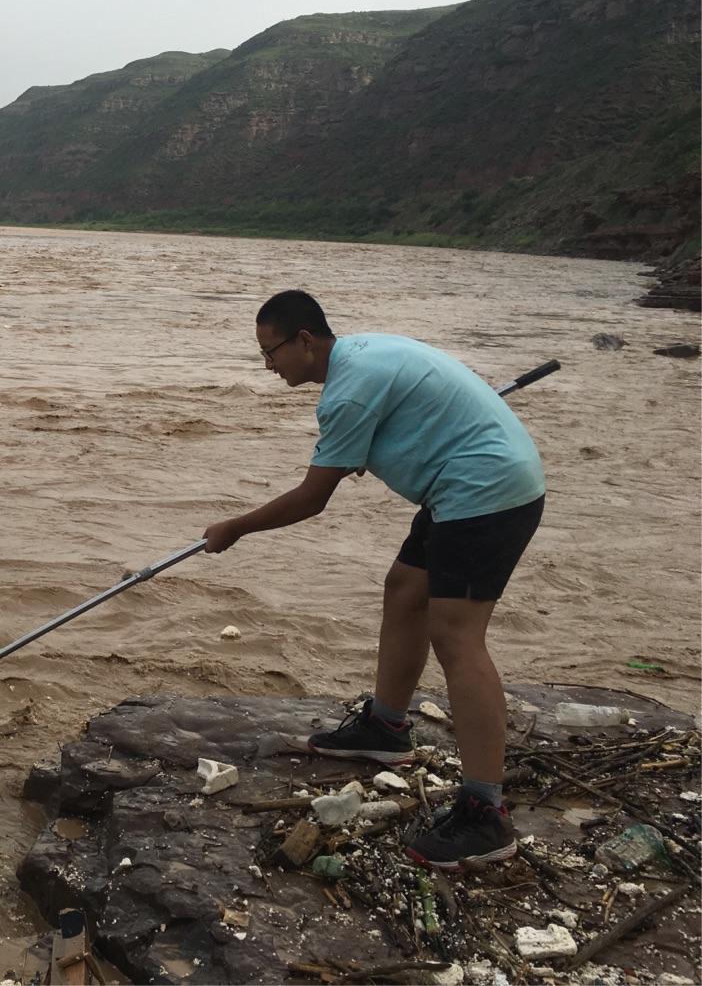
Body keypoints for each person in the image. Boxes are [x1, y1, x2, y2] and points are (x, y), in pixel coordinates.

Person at [201, 290, 546, 870]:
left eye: (271, 352)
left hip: (485, 493)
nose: (268, 366)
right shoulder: (363, 356)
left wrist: (235, 527)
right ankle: (386, 727)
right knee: (405, 588)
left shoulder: (349, 390)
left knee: (456, 636)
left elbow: (313, 499)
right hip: (460, 485)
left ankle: (486, 813)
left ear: (306, 341)